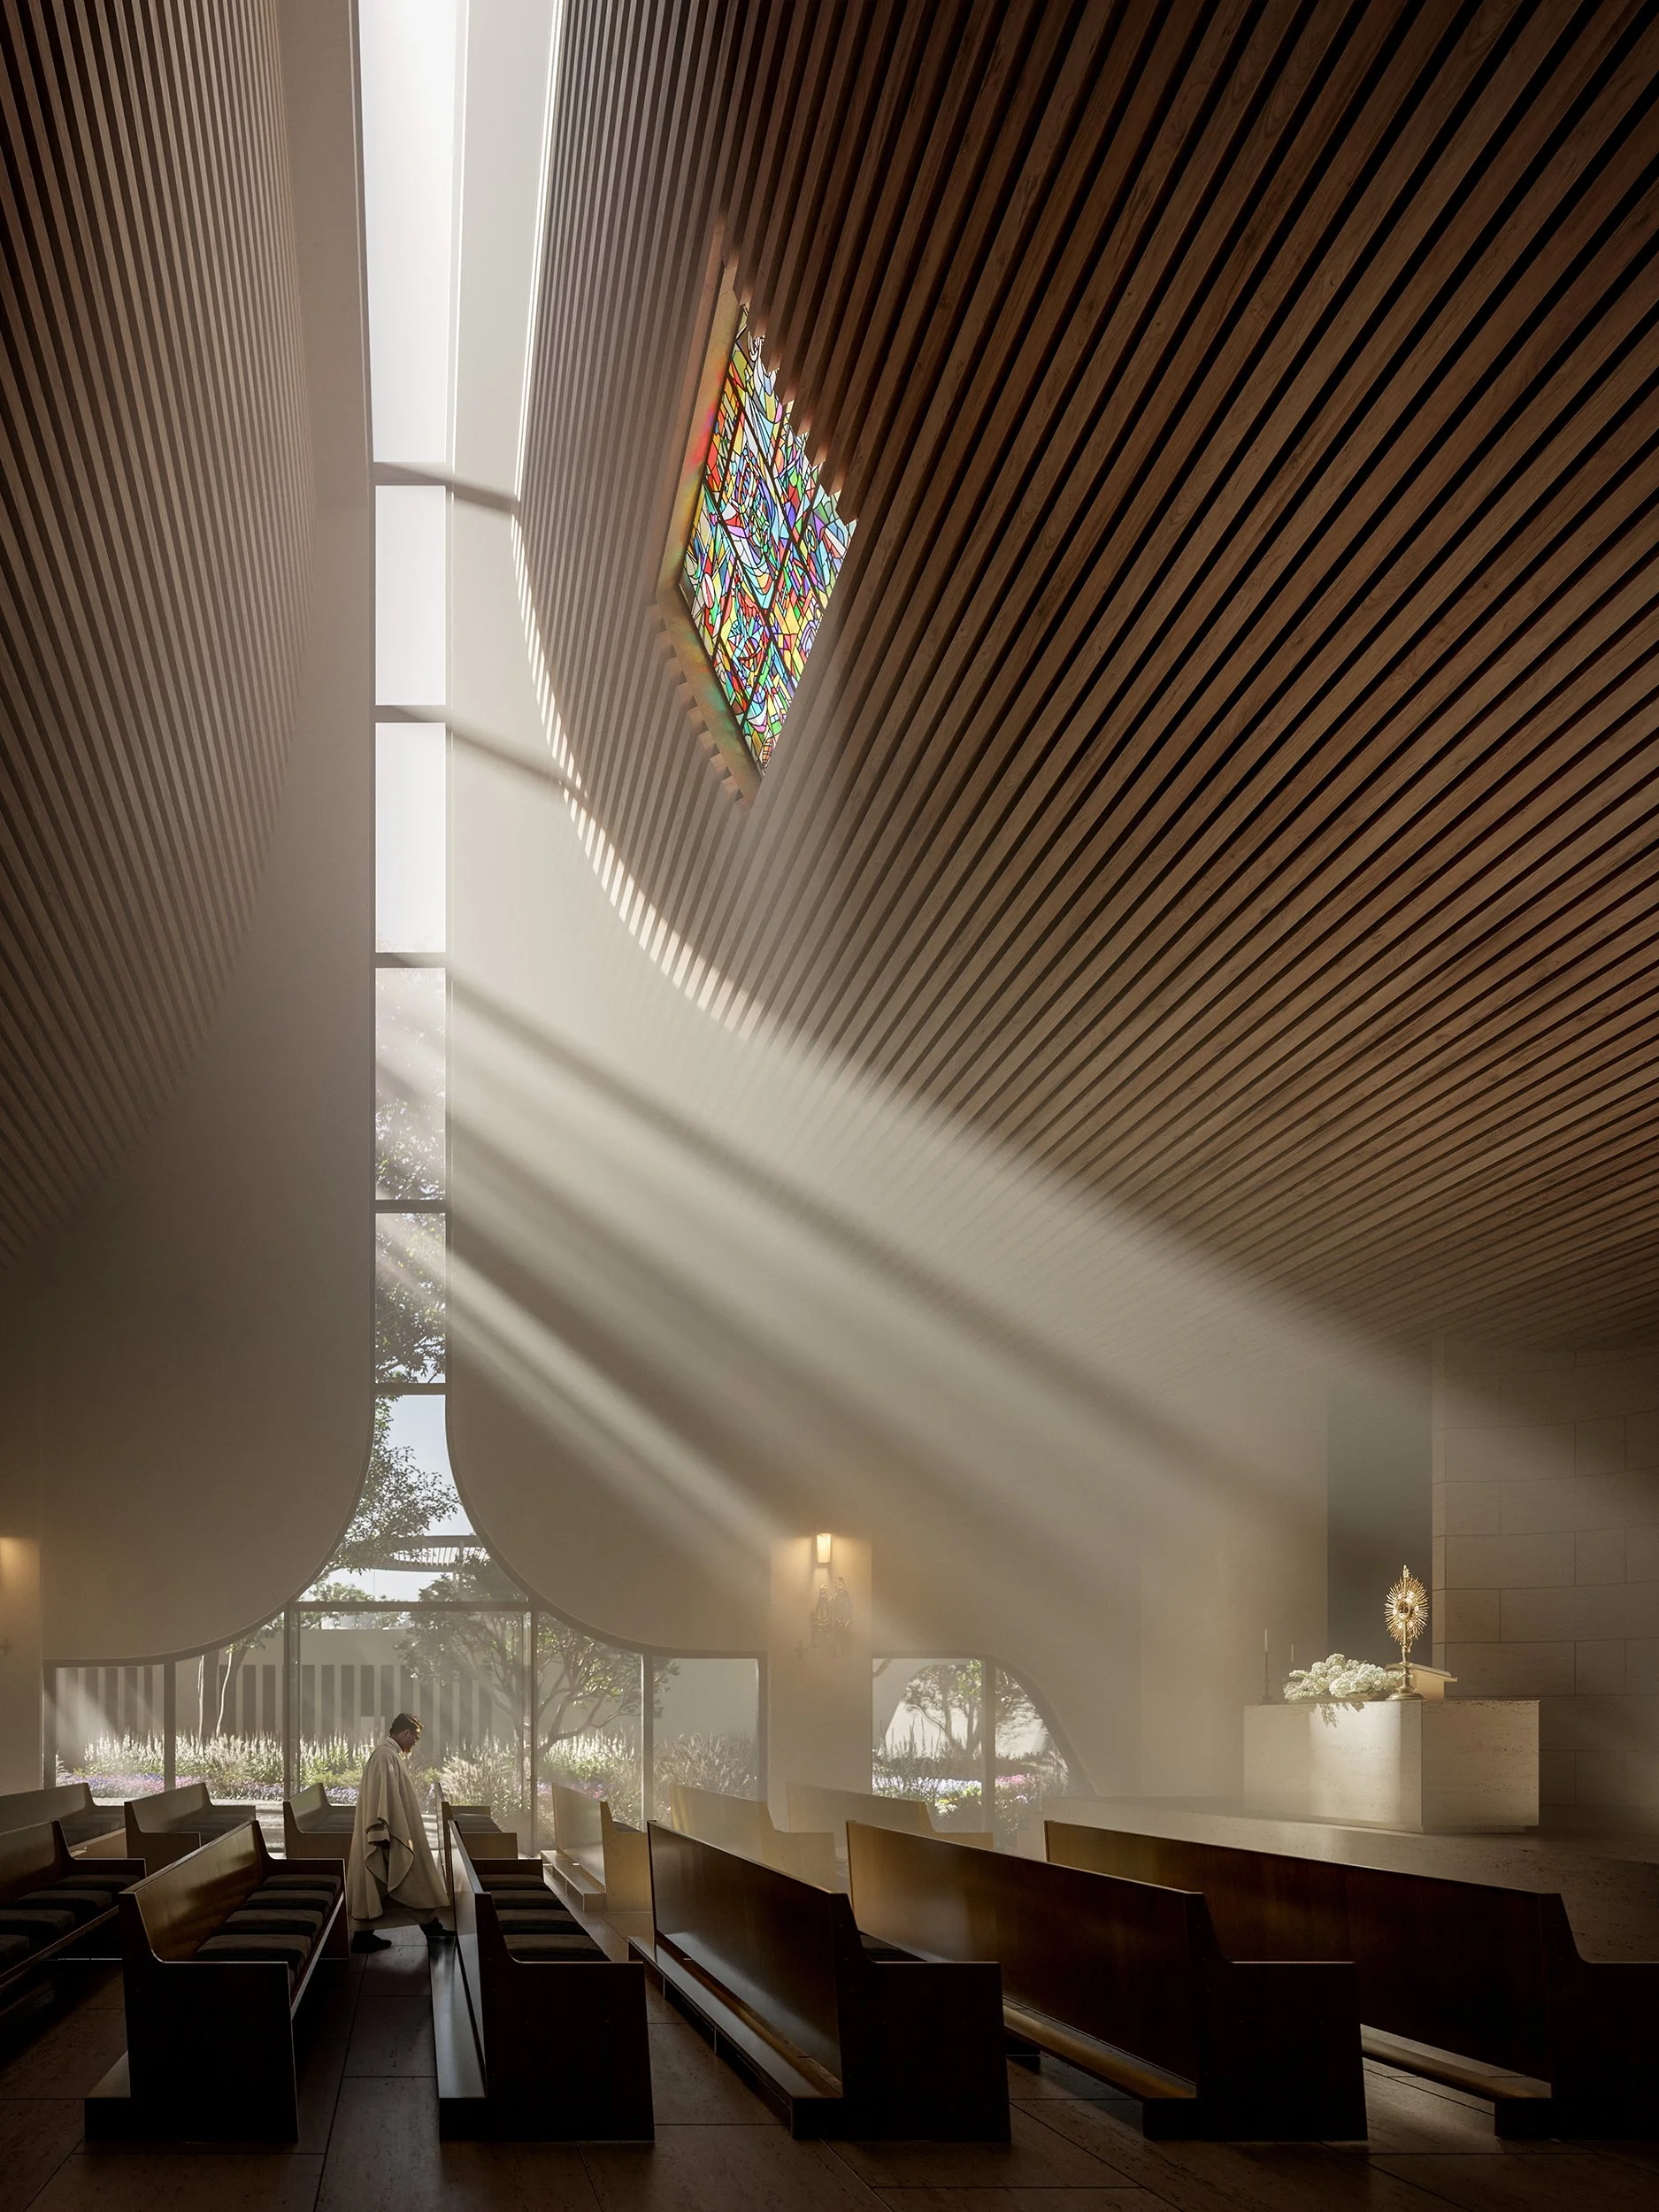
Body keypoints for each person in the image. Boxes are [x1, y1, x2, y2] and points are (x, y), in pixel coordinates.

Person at [346, 1713, 452, 1952]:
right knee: (407, 1878)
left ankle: (367, 1936)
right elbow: (381, 1796)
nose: (415, 1743)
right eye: (415, 1738)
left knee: (396, 1881)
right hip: (389, 1833)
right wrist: (380, 1833)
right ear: (405, 1733)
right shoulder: (385, 1756)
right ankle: (429, 1929)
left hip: (395, 1829)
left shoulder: (388, 1754)